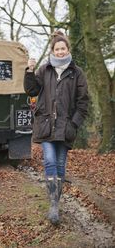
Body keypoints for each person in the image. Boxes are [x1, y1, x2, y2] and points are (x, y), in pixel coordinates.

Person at [24, 31, 89, 225]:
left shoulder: (77, 73)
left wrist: (74, 123)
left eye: (63, 48)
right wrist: (29, 70)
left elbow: (83, 102)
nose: (60, 52)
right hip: (46, 126)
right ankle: (53, 206)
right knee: (50, 161)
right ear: (52, 50)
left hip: (66, 128)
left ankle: (55, 203)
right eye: (57, 49)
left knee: (60, 167)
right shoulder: (44, 70)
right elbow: (32, 90)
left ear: (68, 50)